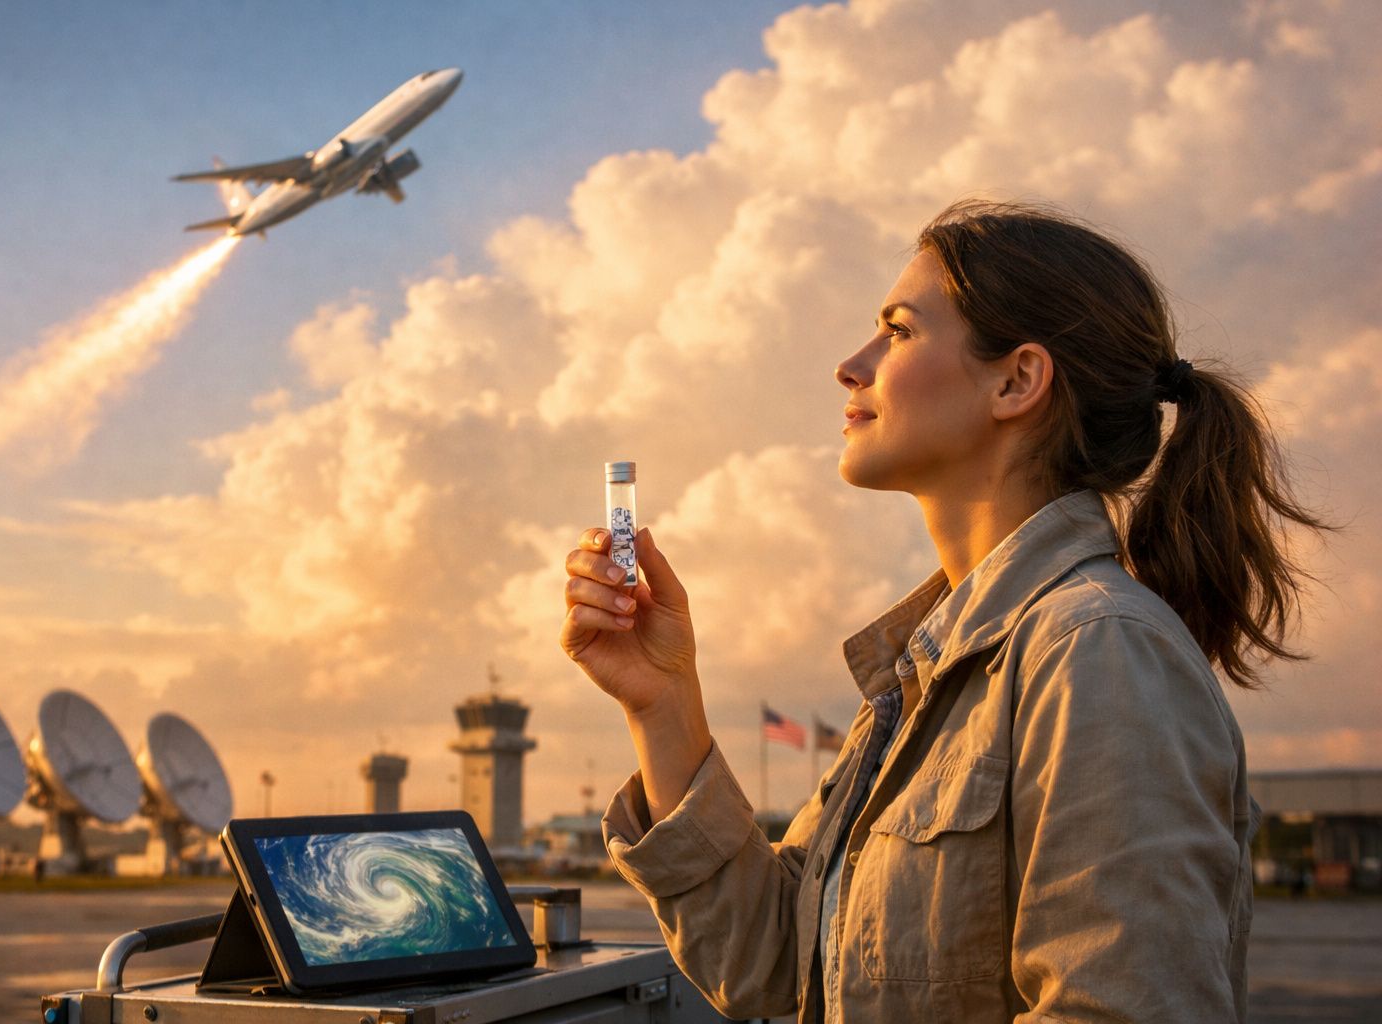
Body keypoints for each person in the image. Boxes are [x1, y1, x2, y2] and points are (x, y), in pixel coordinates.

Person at [560, 199, 1329, 1022]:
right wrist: (664, 699)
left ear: (1017, 380)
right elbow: (770, 958)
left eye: (897, 331)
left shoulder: (1097, 650)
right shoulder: (932, 672)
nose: (850, 366)